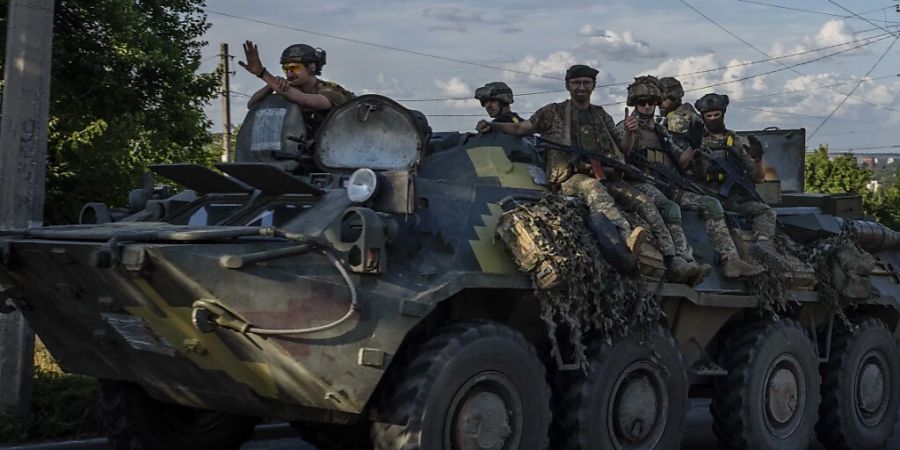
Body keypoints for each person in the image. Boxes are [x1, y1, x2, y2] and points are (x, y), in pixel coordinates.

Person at [476, 64, 702, 283]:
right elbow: (520, 128)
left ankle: (674, 259)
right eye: (576, 83)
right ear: (568, 85)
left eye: (586, 83)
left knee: (644, 202)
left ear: (593, 86)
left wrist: (631, 133)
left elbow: (623, 148)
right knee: (593, 190)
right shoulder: (552, 113)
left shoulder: (601, 115)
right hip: (569, 177)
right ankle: (624, 236)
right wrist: (492, 126)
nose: (581, 87)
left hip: (606, 174)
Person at [620, 77, 762, 279]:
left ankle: (730, 260)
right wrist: (629, 133)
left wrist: (694, 145)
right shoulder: (625, 127)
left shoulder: (661, 131)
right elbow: (622, 154)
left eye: (651, 103)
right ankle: (682, 261)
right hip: (642, 183)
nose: (647, 107)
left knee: (711, 204)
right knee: (670, 208)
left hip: (668, 184)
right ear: (634, 104)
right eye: (641, 103)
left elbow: (681, 161)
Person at [693, 93, 776, 243]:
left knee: (766, 211)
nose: (713, 119)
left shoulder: (736, 141)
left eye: (716, 115)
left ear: (723, 114)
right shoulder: (696, 140)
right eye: (709, 116)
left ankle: (763, 246)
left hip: (733, 200)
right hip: (706, 197)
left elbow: (758, 177)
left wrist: (758, 159)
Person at [239, 41, 355, 141]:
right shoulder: (290, 91)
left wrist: (262, 73)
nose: (289, 74)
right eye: (286, 69)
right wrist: (272, 85)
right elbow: (253, 105)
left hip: (334, 155)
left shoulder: (329, 91)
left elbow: (304, 100)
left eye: (294, 68)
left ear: (312, 67)